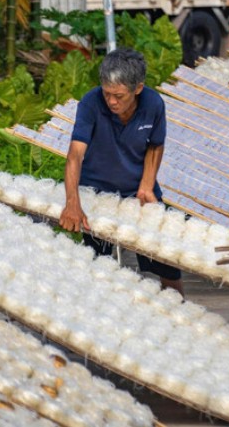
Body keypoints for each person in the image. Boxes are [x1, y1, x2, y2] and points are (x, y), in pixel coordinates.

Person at [59, 48, 184, 296]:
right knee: (97, 266)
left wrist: (147, 186)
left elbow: (155, 145)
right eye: (107, 94)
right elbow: (75, 155)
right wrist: (73, 202)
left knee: (165, 261)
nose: (112, 101)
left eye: (119, 96)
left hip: (137, 192)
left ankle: (183, 315)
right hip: (96, 194)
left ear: (138, 88)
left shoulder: (153, 104)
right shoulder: (91, 103)